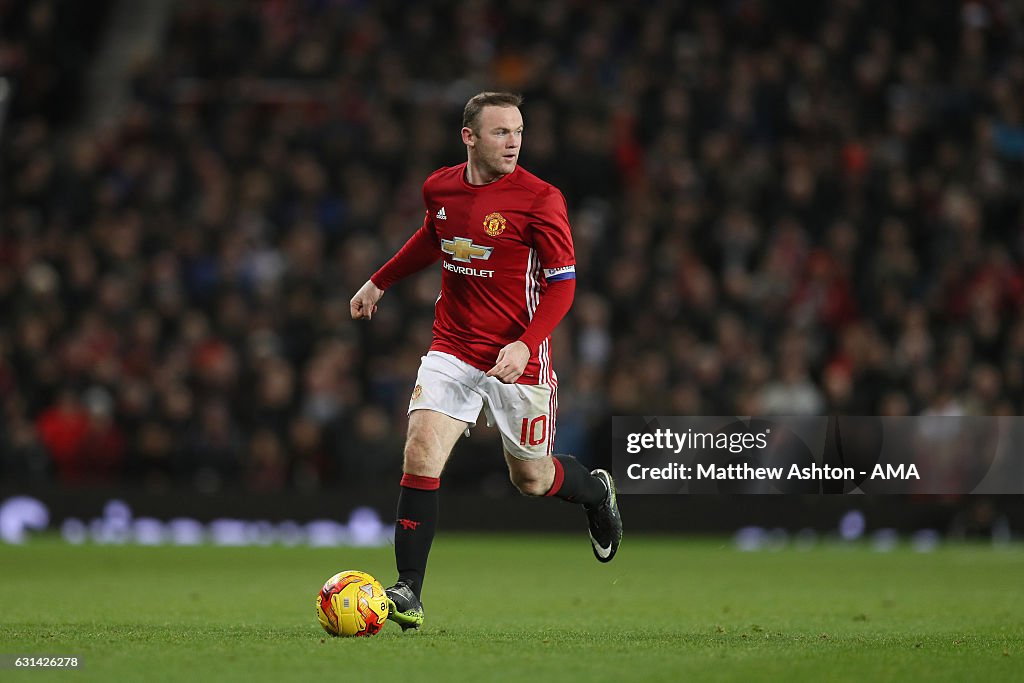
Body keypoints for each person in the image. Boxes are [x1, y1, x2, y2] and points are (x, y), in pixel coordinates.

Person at [350, 91, 622, 630]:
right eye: (501, 132)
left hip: (517, 356)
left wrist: (526, 342)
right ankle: (409, 591)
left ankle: (596, 490)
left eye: (519, 131)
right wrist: (379, 280)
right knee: (421, 450)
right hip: (452, 346)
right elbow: (435, 237)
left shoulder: (541, 199)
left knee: (532, 479)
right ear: (469, 137)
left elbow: (564, 288)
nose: (514, 141)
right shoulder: (439, 187)